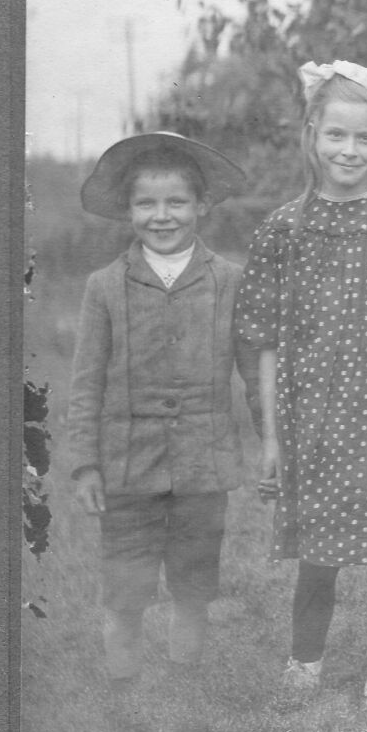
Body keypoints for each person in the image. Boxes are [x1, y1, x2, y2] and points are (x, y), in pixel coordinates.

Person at [234, 60, 367, 715]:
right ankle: (304, 662)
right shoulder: (285, 228)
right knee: (317, 557)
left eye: (365, 138)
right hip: (316, 420)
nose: (349, 150)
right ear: (311, 135)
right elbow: (263, 341)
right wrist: (272, 437)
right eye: (336, 135)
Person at [68, 131, 260, 686]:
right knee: (125, 583)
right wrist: (85, 464)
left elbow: (255, 374)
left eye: (176, 202)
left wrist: (274, 443)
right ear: (128, 209)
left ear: (201, 205)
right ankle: (123, 681)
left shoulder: (230, 281)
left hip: (205, 463)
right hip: (128, 465)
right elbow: (85, 382)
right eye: (146, 203)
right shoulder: (105, 286)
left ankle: (184, 677)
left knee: (194, 579)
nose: (161, 216)